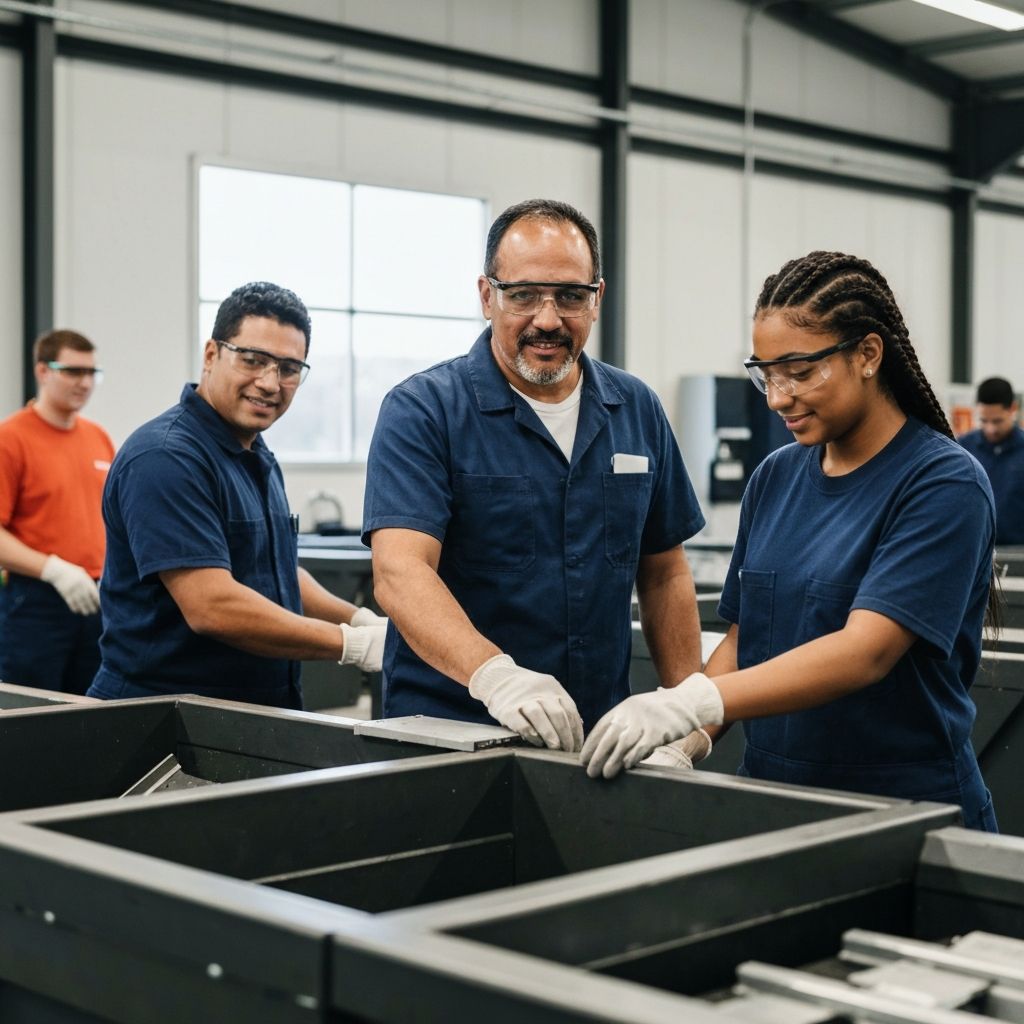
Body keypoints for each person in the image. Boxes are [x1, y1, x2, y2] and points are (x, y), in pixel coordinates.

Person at [581, 251, 999, 833]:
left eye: (799, 372)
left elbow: (866, 651)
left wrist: (691, 702)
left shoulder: (943, 483)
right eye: (766, 375)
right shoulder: (776, 477)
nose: (777, 398)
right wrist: (691, 738)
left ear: (868, 355)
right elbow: (745, 635)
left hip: (902, 810)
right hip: (772, 802)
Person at [363, 198, 705, 751]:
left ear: (597, 299)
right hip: (453, 732)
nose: (547, 320)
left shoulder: (636, 407)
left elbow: (664, 572)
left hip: (598, 740)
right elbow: (401, 573)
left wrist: (686, 710)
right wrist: (494, 675)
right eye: (523, 295)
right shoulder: (425, 410)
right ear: (486, 296)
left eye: (570, 296)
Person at [87, 282, 384, 708]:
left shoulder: (255, 453)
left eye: (288, 368)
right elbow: (212, 606)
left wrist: (359, 618)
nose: (269, 382)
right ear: (212, 355)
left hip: (246, 713)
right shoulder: (165, 457)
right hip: (161, 717)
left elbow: (275, 572)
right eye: (253, 360)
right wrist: (351, 644)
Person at [0, 329, 114, 693]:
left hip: (95, 599)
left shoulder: (98, 437)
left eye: (91, 373)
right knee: (34, 719)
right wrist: (53, 569)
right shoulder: (11, 438)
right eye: (72, 371)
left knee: (89, 716)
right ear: (43, 371)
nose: (84, 382)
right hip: (35, 603)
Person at [958, 377, 1024, 546]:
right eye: (984, 421)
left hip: (1017, 552)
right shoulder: (962, 449)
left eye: (997, 421)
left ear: (1013, 409)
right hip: (974, 550)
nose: (991, 429)